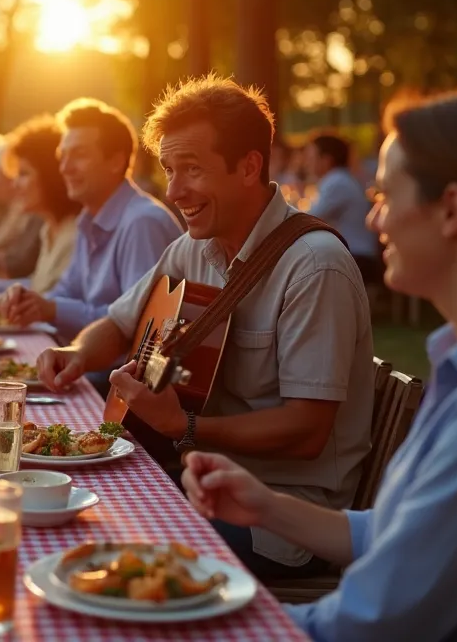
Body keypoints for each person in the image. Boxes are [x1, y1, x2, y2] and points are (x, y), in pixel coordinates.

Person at [183, 84, 457, 641]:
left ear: (454, 210)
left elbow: (365, 625)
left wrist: (179, 623)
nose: (375, 220)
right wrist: (267, 506)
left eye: (385, 195)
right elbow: (401, 535)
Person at [36, 75, 374, 579]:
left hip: (280, 517)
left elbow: (307, 431)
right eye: (169, 170)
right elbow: (118, 321)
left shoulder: (314, 266)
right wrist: (78, 354)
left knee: (99, 546)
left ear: (249, 167)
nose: (174, 192)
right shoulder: (192, 247)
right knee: (54, 505)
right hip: (199, 477)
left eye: (192, 169)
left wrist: (185, 428)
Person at [1, 98, 183, 341]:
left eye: (79, 155)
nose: (65, 168)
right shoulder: (88, 219)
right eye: (62, 156)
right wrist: (31, 301)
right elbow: (68, 290)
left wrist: (52, 309)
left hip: (109, 377)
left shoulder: (142, 223)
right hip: (83, 364)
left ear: (116, 161)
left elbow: (140, 325)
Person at [0, 115, 82, 294]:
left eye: (23, 174)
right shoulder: (49, 229)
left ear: (50, 177)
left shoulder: (77, 233)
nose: (15, 184)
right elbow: (36, 286)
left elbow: (53, 303)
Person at [305, 132, 382, 283]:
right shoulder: (341, 179)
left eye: (310, 157)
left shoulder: (336, 181)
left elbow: (307, 220)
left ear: (326, 160)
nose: (306, 163)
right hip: (357, 255)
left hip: (356, 256)